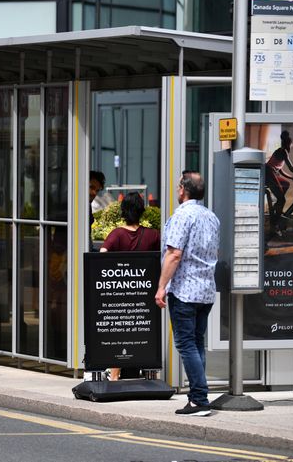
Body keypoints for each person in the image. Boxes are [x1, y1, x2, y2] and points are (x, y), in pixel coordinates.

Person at [155, 170, 219, 416]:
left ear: (183, 189)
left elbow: (174, 254)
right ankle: (197, 397)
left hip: (185, 291)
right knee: (196, 343)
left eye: (178, 186)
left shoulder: (182, 216)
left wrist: (161, 287)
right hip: (205, 291)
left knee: (185, 344)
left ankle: (200, 398)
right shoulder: (211, 217)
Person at [100, 192, 160, 381]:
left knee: (120, 332)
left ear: (123, 211)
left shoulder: (116, 234)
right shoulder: (152, 235)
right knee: (143, 332)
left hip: (121, 296)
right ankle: (149, 372)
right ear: (142, 211)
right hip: (144, 295)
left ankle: (114, 373)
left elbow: (102, 254)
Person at [265, 130, 293, 233]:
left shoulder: (280, 151)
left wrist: (292, 178)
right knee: (282, 200)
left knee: (286, 184)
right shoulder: (283, 151)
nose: (291, 147)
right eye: (291, 145)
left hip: (270, 172)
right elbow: (291, 168)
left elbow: (281, 171)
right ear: (288, 144)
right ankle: (275, 222)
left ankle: (277, 206)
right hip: (268, 172)